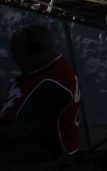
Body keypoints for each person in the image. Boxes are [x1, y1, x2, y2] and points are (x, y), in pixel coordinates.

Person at [0, 25, 81, 162]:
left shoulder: (54, 82)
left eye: (18, 52)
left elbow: (22, 129)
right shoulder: (39, 68)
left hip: (41, 146)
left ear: (35, 51)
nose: (14, 58)